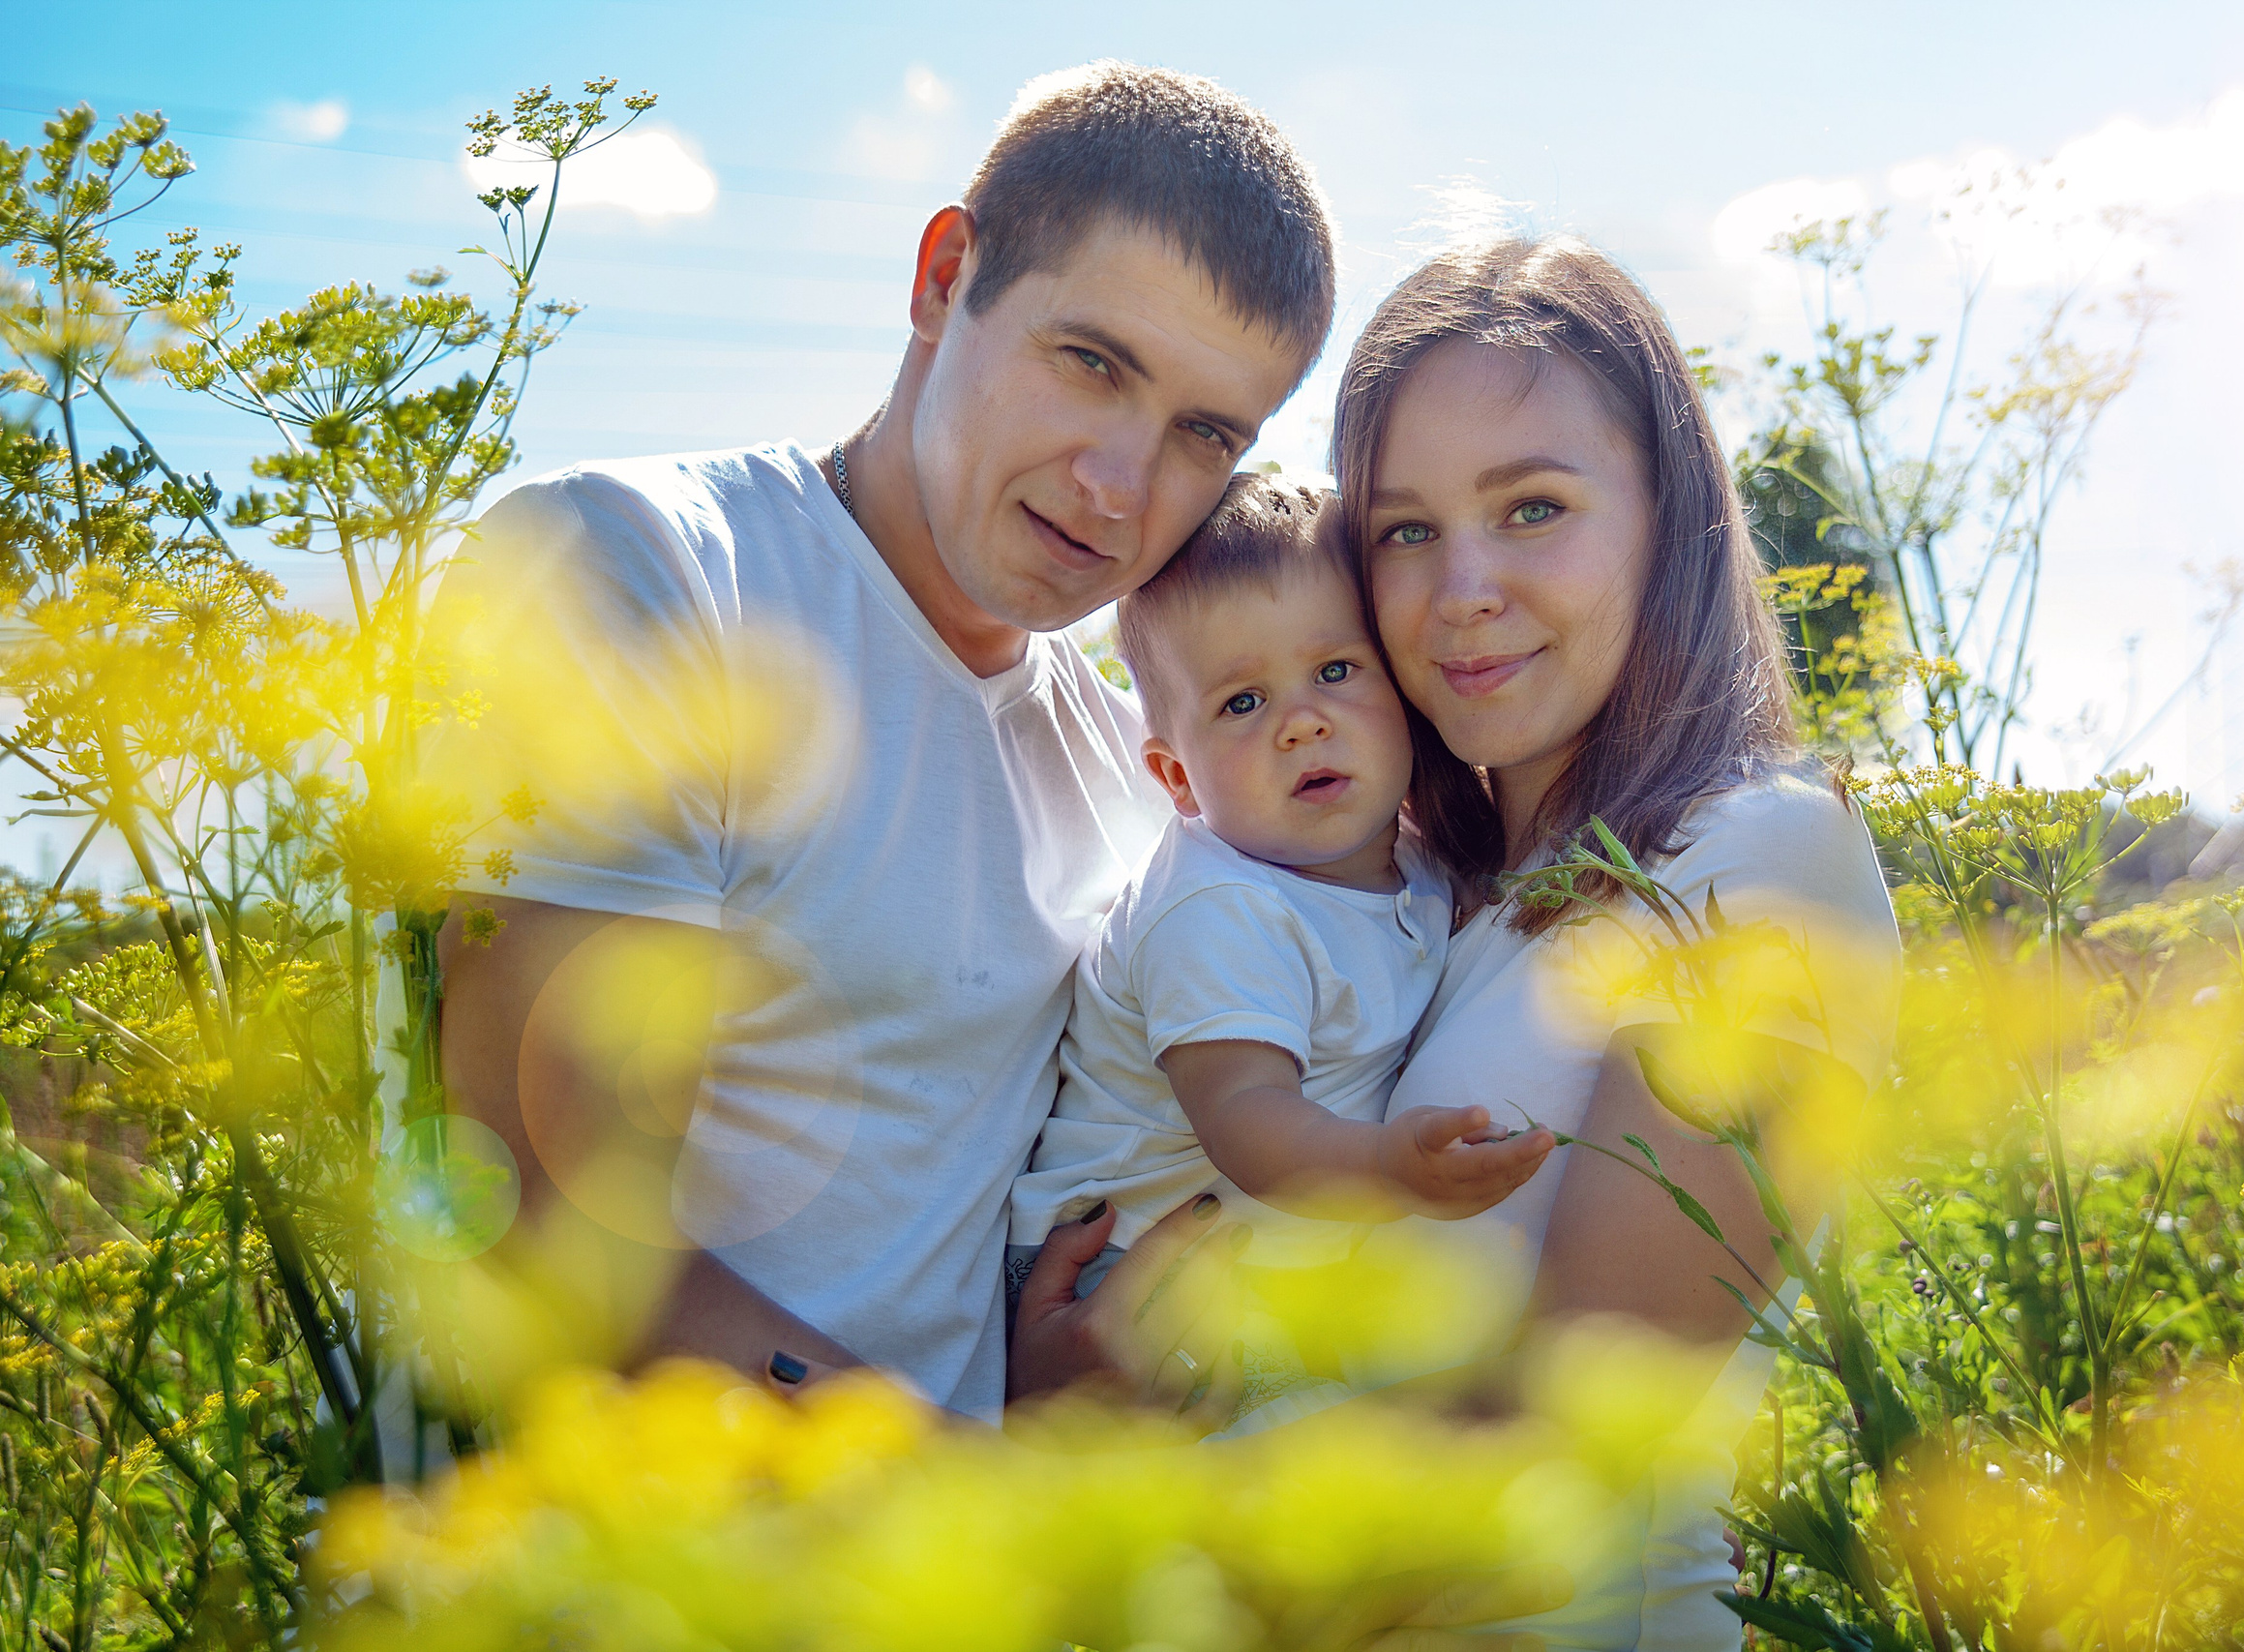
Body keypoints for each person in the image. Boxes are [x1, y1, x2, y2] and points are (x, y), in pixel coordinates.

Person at [435, 61, 1333, 1427]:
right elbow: (545, 1228)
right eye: (1091, 363)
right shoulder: (645, 570)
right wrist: (974, 1487)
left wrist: (1054, 1386)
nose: (1119, 488)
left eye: (1203, 435)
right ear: (943, 277)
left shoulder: (1135, 767)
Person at [1331, 235, 1902, 1649]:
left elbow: (1553, 1445)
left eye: (1531, 507)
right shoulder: (1426, 897)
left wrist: (1070, 1540)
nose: (1461, 587)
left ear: (1671, 516)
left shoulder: (1761, 855)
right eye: (1404, 530)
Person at [1003, 476, 1553, 1373]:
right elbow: (1245, 1114)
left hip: (1266, 1252)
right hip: (1124, 1269)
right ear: (1177, 778)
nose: (1301, 723)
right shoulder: (1217, 906)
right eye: (1242, 702)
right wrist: (1390, 1168)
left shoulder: (1416, 861)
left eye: (1335, 671)